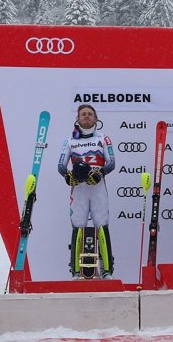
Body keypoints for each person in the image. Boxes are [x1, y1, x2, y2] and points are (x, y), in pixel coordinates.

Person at [57, 104, 116, 279]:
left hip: (97, 187)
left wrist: (101, 173)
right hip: (79, 189)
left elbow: (112, 162)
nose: (87, 117)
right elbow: (61, 165)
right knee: (78, 226)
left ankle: (107, 270)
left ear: (96, 118)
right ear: (78, 118)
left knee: (102, 225)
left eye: (90, 114)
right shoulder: (69, 140)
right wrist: (68, 177)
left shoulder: (103, 138)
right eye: (83, 114)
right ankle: (75, 271)